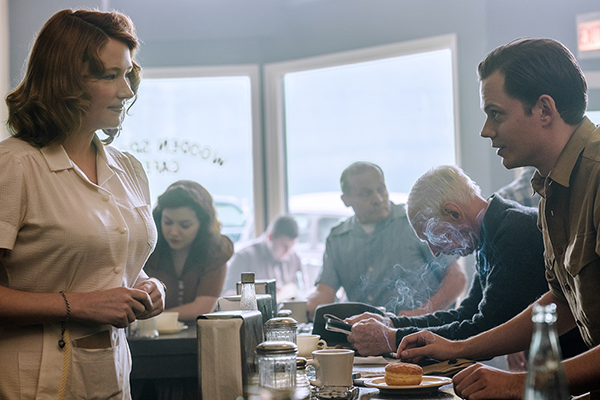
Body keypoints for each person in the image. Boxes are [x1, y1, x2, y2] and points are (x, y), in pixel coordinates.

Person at [397, 38, 600, 399]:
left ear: (544, 110)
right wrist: (459, 348)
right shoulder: (553, 190)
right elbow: (563, 301)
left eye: (496, 113)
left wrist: (519, 384)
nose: (486, 130)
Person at [0, 9, 164, 400]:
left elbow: (113, 266)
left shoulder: (129, 168)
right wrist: (77, 305)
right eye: (109, 76)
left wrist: (147, 287)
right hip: (33, 381)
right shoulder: (15, 165)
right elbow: (87, 293)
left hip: (112, 373)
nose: (126, 90)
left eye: (127, 74)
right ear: (65, 82)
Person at [345, 166, 585, 362]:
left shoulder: (512, 233)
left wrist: (393, 337)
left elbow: (484, 328)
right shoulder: (493, 230)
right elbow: (467, 313)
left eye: (432, 237)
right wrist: (392, 323)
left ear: (454, 213)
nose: (435, 252)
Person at [306, 161, 467, 319]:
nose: (378, 199)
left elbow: (456, 278)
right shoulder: (337, 238)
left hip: (421, 332)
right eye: (366, 193)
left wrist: (421, 314)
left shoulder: (414, 223)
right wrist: (302, 307)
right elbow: (325, 291)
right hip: (365, 336)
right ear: (346, 200)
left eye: (381, 189)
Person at [144, 180, 234, 323]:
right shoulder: (147, 246)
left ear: (202, 225)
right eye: (167, 222)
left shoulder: (216, 250)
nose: (174, 232)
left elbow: (202, 308)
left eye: (185, 225)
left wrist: (150, 320)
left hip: (201, 336)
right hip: (150, 337)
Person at [223, 215, 306, 299]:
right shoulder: (244, 257)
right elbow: (227, 295)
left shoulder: (294, 257)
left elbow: (304, 291)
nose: (288, 251)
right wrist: (263, 290)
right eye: (283, 246)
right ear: (269, 237)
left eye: (292, 245)